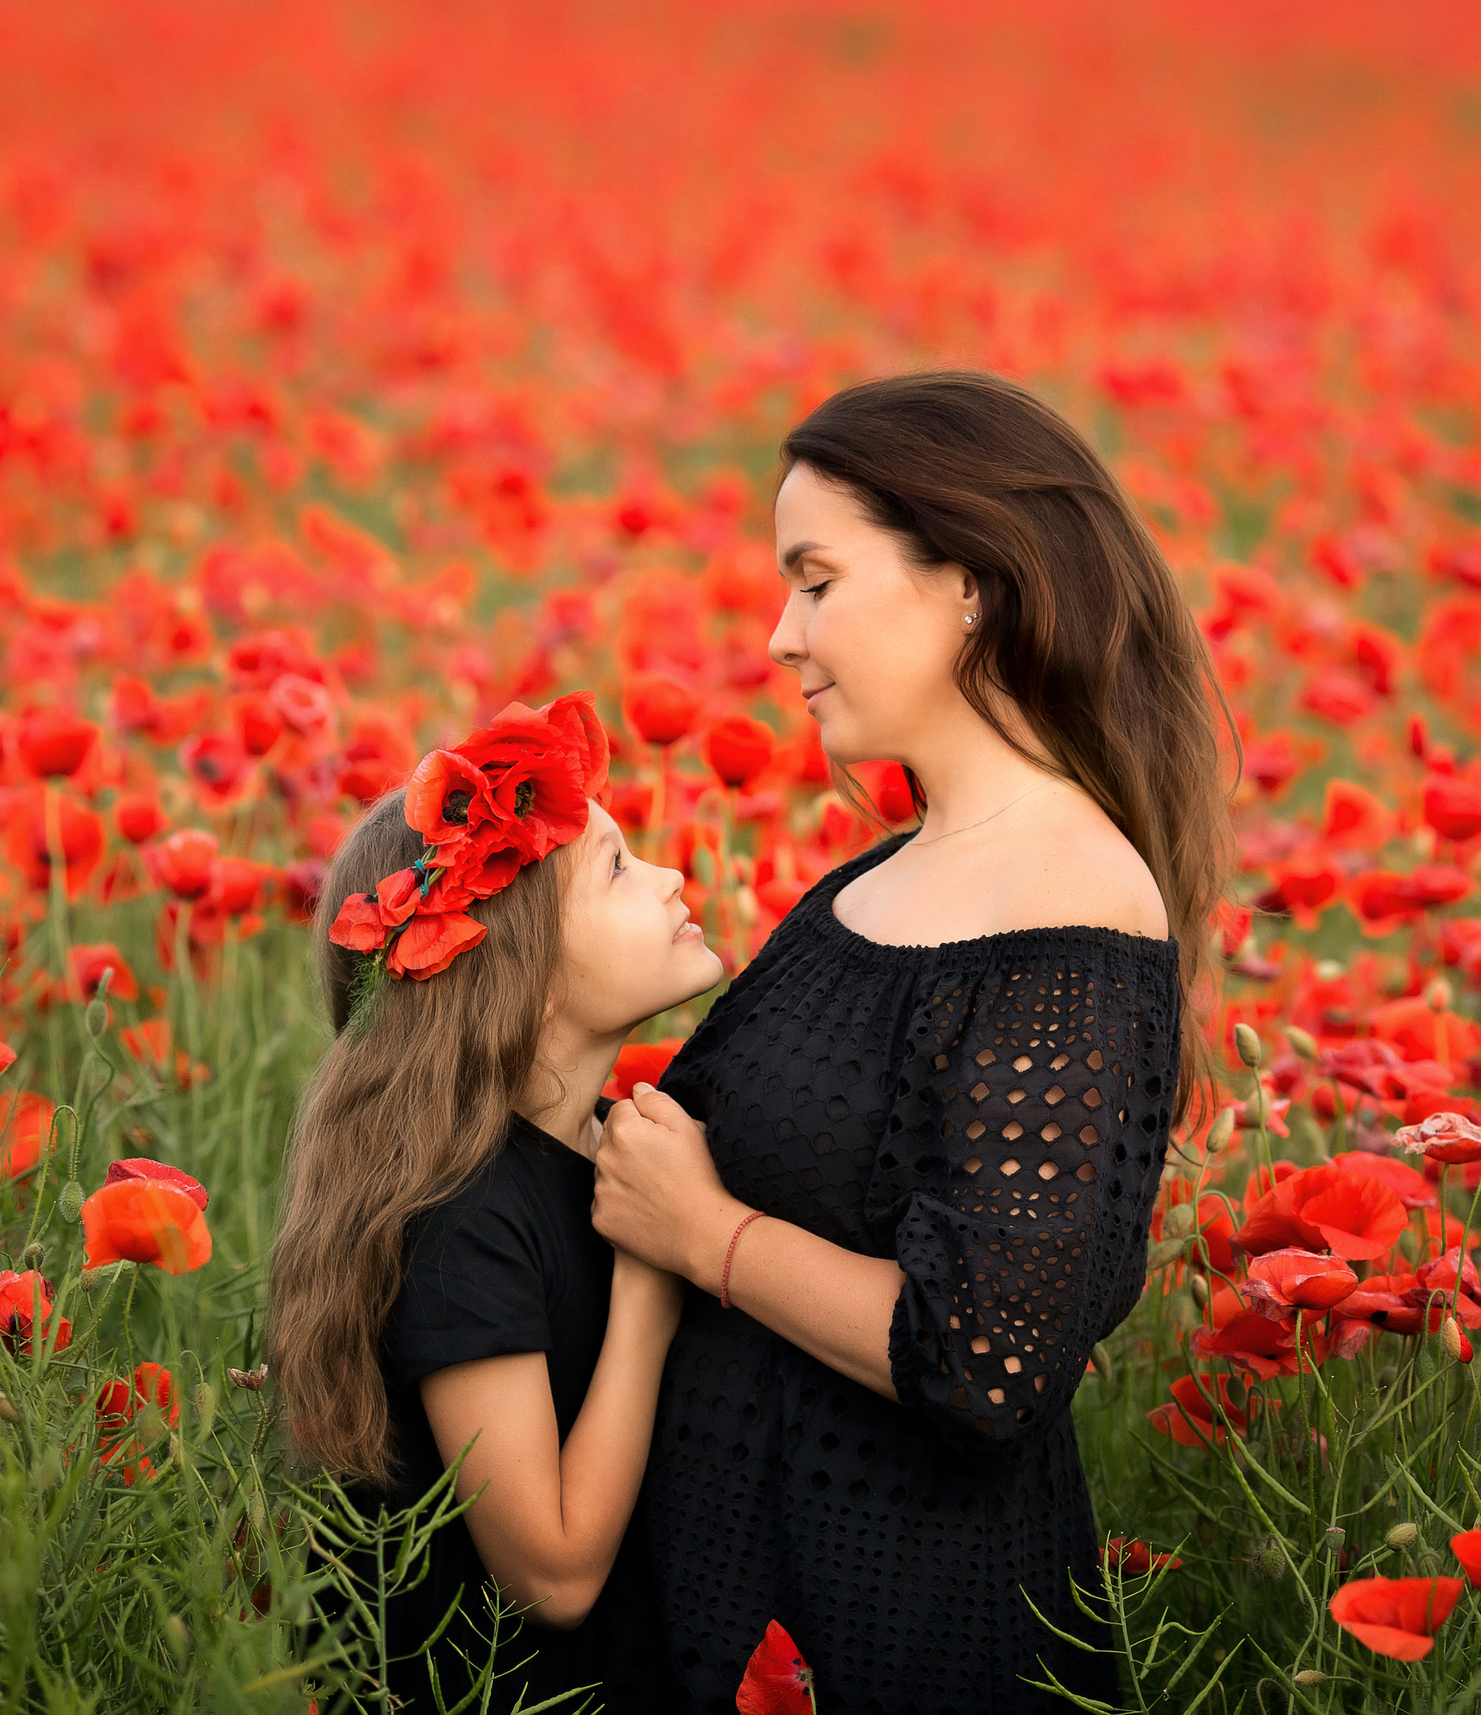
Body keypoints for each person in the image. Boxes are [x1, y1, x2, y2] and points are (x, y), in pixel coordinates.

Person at [589, 369, 1238, 1711]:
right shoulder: (878, 881)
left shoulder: (1072, 918)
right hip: (728, 1598)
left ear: (974, 585)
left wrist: (705, 1238)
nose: (779, 635)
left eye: (817, 582)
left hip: (900, 1627)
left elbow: (987, 1357)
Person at [269, 690, 721, 1713]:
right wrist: (651, 1286)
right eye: (615, 867)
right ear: (526, 979)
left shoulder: (610, 1145)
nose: (670, 876)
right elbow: (552, 1577)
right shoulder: (460, 1218)